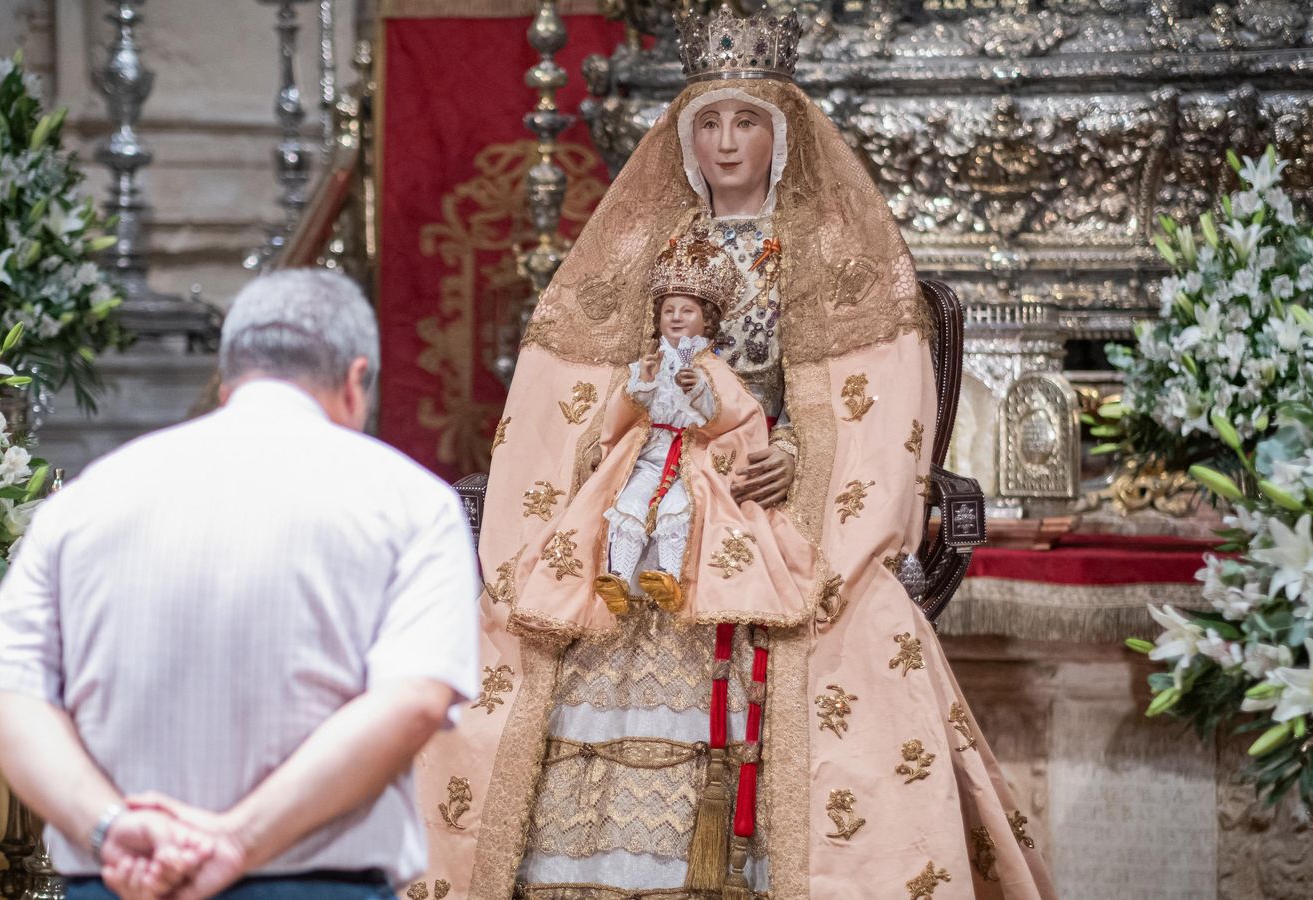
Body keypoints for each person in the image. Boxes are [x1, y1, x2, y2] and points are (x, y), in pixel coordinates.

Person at [411, 9, 1059, 900]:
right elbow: (584, 385)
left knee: (855, 622)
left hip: (766, 488)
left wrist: (794, 452)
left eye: (746, 121)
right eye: (708, 123)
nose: (725, 144)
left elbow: (860, 398)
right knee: (540, 615)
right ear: (684, 137)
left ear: (781, 133)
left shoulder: (828, 250)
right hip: (644, 474)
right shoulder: (644, 243)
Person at [0, 268, 482, 900]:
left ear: (229, 375)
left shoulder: (88, 498)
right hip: (315, 888)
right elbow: (415, 699)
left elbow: (0, 692)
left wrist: (110, 827)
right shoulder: (412, 503)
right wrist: (237, 839)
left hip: (126, 880)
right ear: (355, 380)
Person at [507, 230, 817, 639]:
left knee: (677, 509)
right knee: (628, 506)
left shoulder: (712, 368)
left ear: (707, 320)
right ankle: (616, 577)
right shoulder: (648, 364)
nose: (675, 318)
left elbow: (737, 414)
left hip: (695, 460)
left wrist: (701, 393)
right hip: (650, 452)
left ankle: (668, 576)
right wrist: (643, 386)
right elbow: (624, 409)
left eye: (686, 311)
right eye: (668, 310)